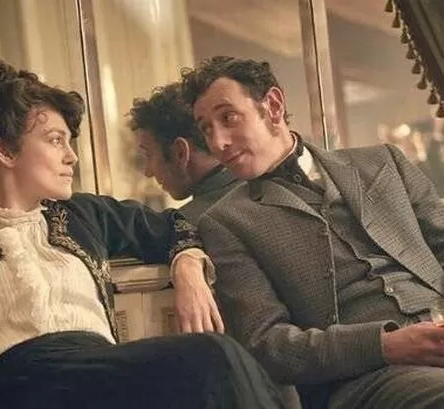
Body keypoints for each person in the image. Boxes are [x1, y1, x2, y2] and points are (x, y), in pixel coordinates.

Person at [0, 60, 284, 409]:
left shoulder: (85, 215)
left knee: (219, 365)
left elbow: (172, 227)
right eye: (54, 140)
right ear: (6, 151)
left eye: (70, 142)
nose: (72, 156)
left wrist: (188, 269)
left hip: (100, 372)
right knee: (212, 358)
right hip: (17, 385)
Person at [181, 56, 444, 409]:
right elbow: (268, 345)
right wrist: (385, 345)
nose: (218, 143)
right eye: (206, 129)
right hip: (366, 378)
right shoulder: (226, 221)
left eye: (228, 118)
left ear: (273, 106)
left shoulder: (383, 161)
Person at [128, 82, 241, 224]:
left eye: (149, 155)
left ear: (180, 152)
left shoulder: (188, 226)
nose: (148, 172)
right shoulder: (258, 189)